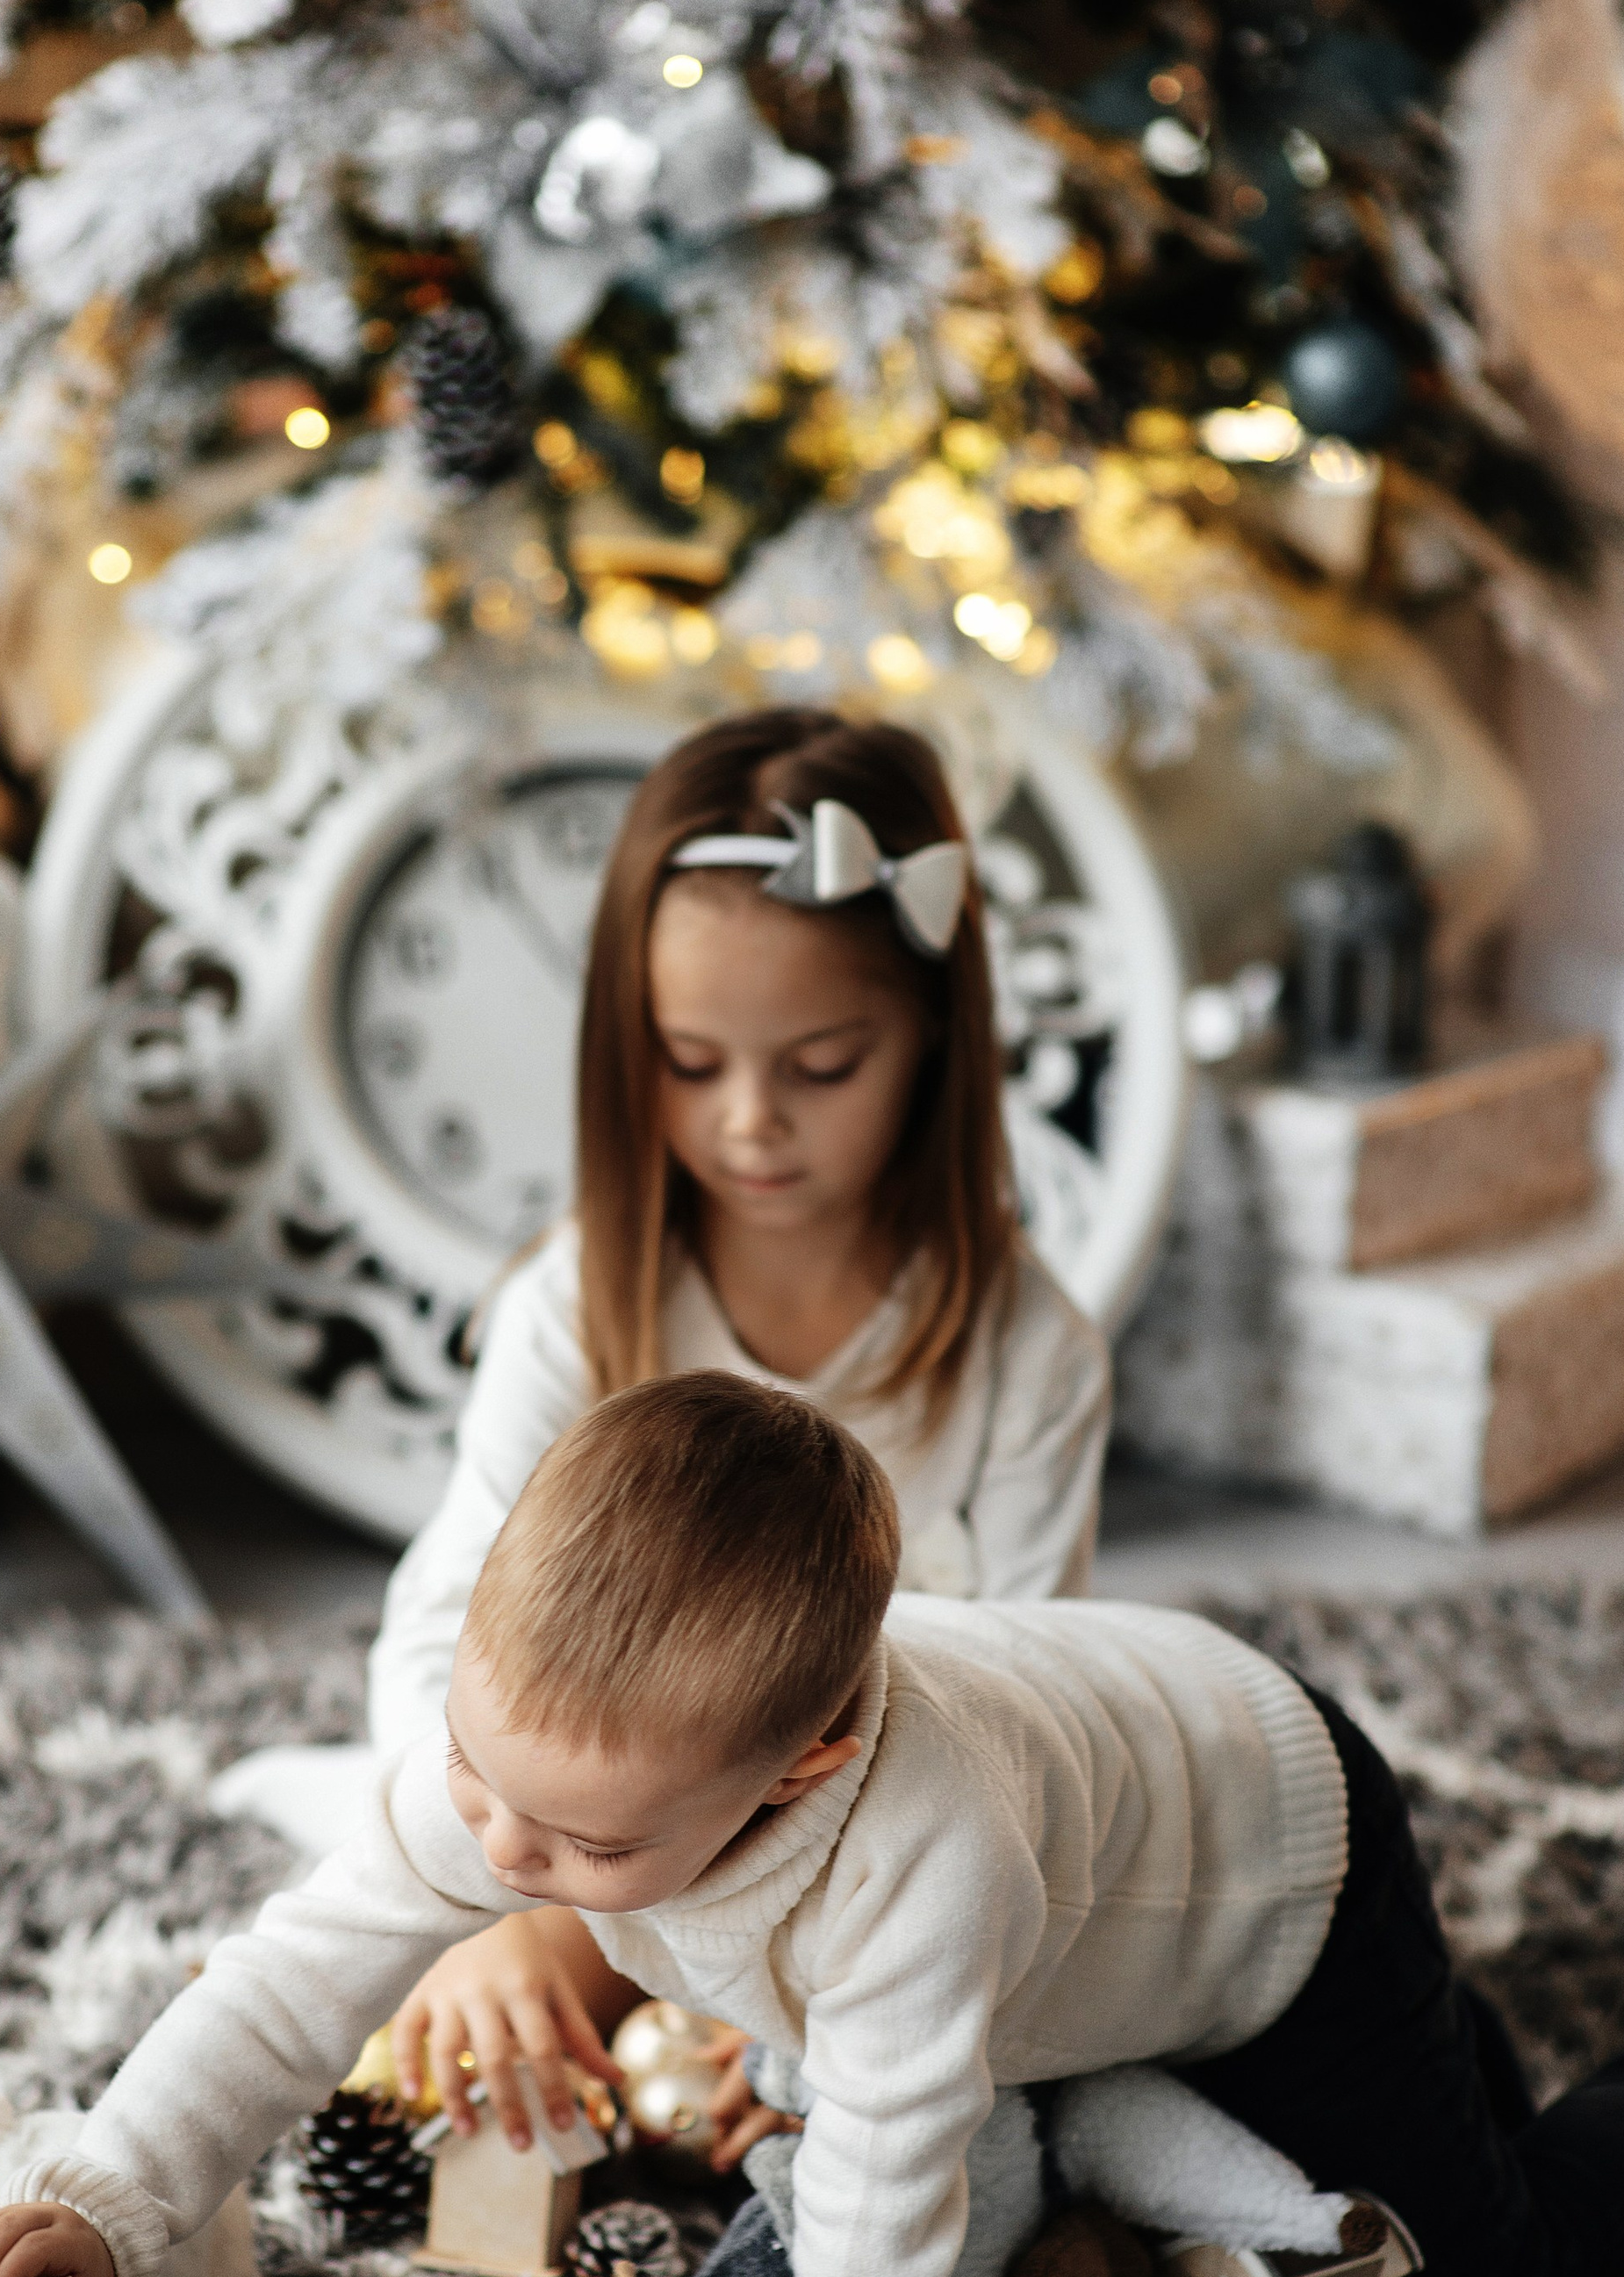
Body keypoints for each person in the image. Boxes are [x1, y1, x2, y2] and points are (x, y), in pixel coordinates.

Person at [0, 1377, 1624, 2277]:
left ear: (796, 1769)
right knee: (1355, 2112)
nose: (502, 1849)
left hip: (1268, 1868)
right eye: (478, 1776)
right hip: (1101, 1840)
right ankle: (1449, 2078)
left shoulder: (914, 1848)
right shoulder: (531, 1768)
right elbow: (292, 1979)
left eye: (584, 1842)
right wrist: (109, 2202)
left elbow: (887, 2167)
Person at [212, 708, 1109, 1851]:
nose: (751, 1123)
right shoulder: (577, 1305)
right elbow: (448, 1633)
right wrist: (507, 1902)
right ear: (632, 1049)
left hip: (874, 1852)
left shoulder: (1030, 1354)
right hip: (576, 1838)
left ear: (935, 1029)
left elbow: (1032, 1716)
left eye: (823, 1066)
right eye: (691, 1064)